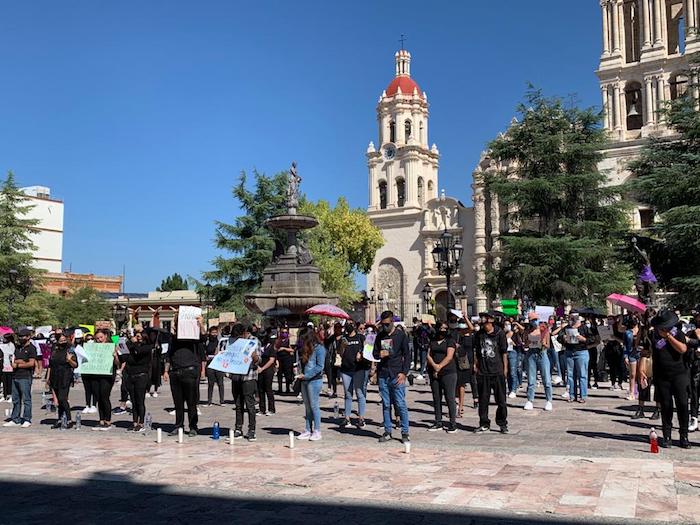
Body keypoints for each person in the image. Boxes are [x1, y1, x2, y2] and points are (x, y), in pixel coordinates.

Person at [642, 310, 691, 448]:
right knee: (666, 406)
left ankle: (684, 436)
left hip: (679, 374)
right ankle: (667, 436)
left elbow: (682, 349)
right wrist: (643, 367)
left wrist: (668, 337)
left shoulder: (678, 333)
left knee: (682, 405)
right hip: (662, 375)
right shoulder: (652, 335)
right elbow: (646, 351)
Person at [164, 315, 206, 437]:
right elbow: (169, 354)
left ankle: (193, 427)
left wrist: (201, 324)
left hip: (190, 370)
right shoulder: (173, 337)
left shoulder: (193, 335)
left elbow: (203, 337)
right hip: (175, 371)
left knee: (191, 402)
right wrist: (166, 371)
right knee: (178, 403)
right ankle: (178, 426)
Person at [373, 310, 411, 444]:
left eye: (387, 324)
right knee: (386, 404)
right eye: (383, 324)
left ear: (392, 322)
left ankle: (405, 432)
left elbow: (407, 355)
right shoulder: (380, 336)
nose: (385, 327)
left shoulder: (401, 335)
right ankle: (388, 431)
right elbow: (374, 353)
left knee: (400, 404)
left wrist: (404, 373)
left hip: (397, 373)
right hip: (383, 373)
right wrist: (379, 355)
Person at [473, 312, 509, 433]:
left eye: (485, 321)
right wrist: (475, 365)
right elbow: (476, 351)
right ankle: (484, 423)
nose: (484, 324)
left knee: (501, 401)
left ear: (491, 321)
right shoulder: (479, 335)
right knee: (483, 400)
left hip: (497, 371)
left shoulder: (500, 333)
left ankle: (502, 423)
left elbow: (504, 352)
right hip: (483, 372)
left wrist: (505, 369)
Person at [230, 323, 260, 441]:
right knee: (238, 404)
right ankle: (238, 428)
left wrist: (254, 356)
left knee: (250, 405)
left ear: (244, 333)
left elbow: (259, 360)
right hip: (236, 376)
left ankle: (252, 430)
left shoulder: (253, 341)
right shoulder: (233, 341)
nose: (238, 339)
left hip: (249, 377)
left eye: (239, 337)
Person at [427, 321, 458, 433]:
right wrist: (434, 366)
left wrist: (439, 366)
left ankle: (452, 423)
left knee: (450, 397)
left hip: (448, 371)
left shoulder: (450, 341)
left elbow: (449, 356)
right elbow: (428, 355)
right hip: (434, 372)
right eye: (441, 328)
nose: (443, 330)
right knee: (436, 397)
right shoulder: (433, 340)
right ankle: (438, 421)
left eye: (445, 328)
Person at [296, 328, 326, 441]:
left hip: (314, 380)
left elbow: (320, 366)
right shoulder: (305, 349)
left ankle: (317, 430)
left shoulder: (319, 349)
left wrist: (307, 375)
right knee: (307, 407)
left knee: (314, 406)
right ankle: (308, 429)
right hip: (304, 379)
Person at [3, 328, 37, 428]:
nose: (21, 338)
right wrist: (20, 362)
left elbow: (31, 363)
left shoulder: (31, 348)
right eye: (20, 336)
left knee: (26, 399)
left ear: (28, 337)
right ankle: (15, 418)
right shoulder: (17, 347)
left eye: (23, 336)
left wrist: (18, 364)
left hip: (25, 376)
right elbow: (14, 360)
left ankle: (27, 419)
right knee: (15, 399)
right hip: (15, 376)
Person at [559, 313, 594, 403]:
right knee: (570, 375)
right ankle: (572, 395)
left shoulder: (584, 327)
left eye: (574, 318)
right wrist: (563, 338)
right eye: (571, 318)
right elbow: (559, 337)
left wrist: (584, 339)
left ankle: (583, 396)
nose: (572, 319)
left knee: (582, 374)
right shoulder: (566, 328)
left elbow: (592, 338)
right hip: (569, 352)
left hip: (581, 352)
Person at [338, 321, 367, 428]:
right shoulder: (343, 338)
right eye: (348, 324)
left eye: (351, 323)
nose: (349, 326)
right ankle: (347, 418)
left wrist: (362, 354)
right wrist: (342, 346)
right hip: (346, 369)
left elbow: (368, 350)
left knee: (360, 394)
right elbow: (340, 353)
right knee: (348, 394)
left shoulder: (361, 338)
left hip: (358, 368)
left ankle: (361, 418)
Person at [46, 333, 78, 428]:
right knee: (59, 401)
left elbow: (75, 365)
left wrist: (69, 360)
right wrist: (48, 378)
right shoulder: (54, 349)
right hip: (55, 376)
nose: (63, 342)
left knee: (62, 398)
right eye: (61, 340)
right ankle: (60, 419)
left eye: (64, 340)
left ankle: (69, 419)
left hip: (65, 375)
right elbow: (50, 365)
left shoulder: (70, 349)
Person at [90, 329, 120, 431]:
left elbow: (117, 364)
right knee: (98, 397)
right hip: (96, 374)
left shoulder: (112, 346)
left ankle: (108, 420)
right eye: (97, 338)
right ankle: (101, 420)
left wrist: (115, 356)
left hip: (107, 375)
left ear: (106, 336)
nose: (99, 340)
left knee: (104, 396)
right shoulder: (93, 347)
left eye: (101, 337)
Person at [124, 330, 153, 432]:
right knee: (133, 400)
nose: (137, 337)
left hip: (141, 376)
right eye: (136, 336)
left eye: (139, 336)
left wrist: (135, 343)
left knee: (140, 400)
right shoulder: (132, 346)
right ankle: (134, 421)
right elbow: (126, 356)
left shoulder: (147, 347)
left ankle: (141, 422)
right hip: (131, 375)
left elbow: (140, 352)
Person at [524, 317, 553, 412]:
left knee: (546, 379)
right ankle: (530, 400)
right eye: (532, 320)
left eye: (535, 319)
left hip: (542, 354)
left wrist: (543, 343)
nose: (534, 322)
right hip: (531, 354)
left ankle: (549, 400)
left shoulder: (545, 331)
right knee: (531, 379)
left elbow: (548, 345)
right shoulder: (528, 330)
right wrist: (529, 339)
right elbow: (525, 344)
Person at [455, 319, 477, 416]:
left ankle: (475, 398)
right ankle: (459, 405)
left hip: (470, 360)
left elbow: (472, 328)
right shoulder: (459, 335)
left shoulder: (472, 336)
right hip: (461, 360)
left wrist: (466, 317)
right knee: (460, 383)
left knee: (472, 380)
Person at [76, 329, 97, 415]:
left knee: (94, 388)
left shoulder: (97, 347)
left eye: (92, 339)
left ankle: (94, 405)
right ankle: (87, 404)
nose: (90, 341)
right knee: (87, 389)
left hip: (95, 370)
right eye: (88, 339)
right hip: (85, 370)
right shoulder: (82, 348)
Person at [256, 329, 277, 416]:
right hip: (259, 369)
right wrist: (257, 367)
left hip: (268, 370)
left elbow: (271, 360)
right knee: (260, 389)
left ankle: (271, 409)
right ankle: (262, 409)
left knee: (268, 389)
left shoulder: (271, 347)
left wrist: (263, 368)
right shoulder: (258, 347)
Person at [204, 326, 225, 406]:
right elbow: (205, 351)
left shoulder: (220, 341)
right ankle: (209, 401)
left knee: (220, 383)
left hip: (219, 364)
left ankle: (222, 401)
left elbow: (224, 351)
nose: (214, 334)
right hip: (210, 364)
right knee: (210, 383)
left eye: (215, 332)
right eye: (213, 332)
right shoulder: (207, 341)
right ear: (210, 333)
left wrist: (219, 352)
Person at [621, 318, 640, 401]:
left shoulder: (641, 331)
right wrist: (625, 356)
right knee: (632, 374)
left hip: (640, 353)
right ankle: (631, 392)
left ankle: (640, 392)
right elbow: (625, 344)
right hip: (631, 354)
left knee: (640, 374)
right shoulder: (627, 332)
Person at [324, 323, 344, 399]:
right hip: (333, 359)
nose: (337, 329)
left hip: (342, 359)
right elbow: (326, 343)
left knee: (343, 376)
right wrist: (326, 334)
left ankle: (345, 392)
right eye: (336, 327)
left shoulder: (344, 337)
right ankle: (334, 391)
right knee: (333, 376)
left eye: (339, 327)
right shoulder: (332, 337)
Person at [275, 327, 295, 395]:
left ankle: (287, 388)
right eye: (283, 332)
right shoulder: (278, 340)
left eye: (285, 332)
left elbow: (292, 350)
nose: (284, 334)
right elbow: (275, 349)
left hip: (287, 359)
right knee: (279, 374)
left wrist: (284, 348)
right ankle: (280, 388)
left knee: (287, 375)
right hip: (279, 358)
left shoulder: (289, 340)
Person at [1, 333, 15, 402]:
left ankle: (10, 395)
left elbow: (12, 355)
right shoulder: (2, 345)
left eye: (5, 338)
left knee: (10, 382)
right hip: (3, 366)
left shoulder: (12, 345)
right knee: (4, 382)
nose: (4, 339)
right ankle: (4, 395)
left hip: (10, 366)